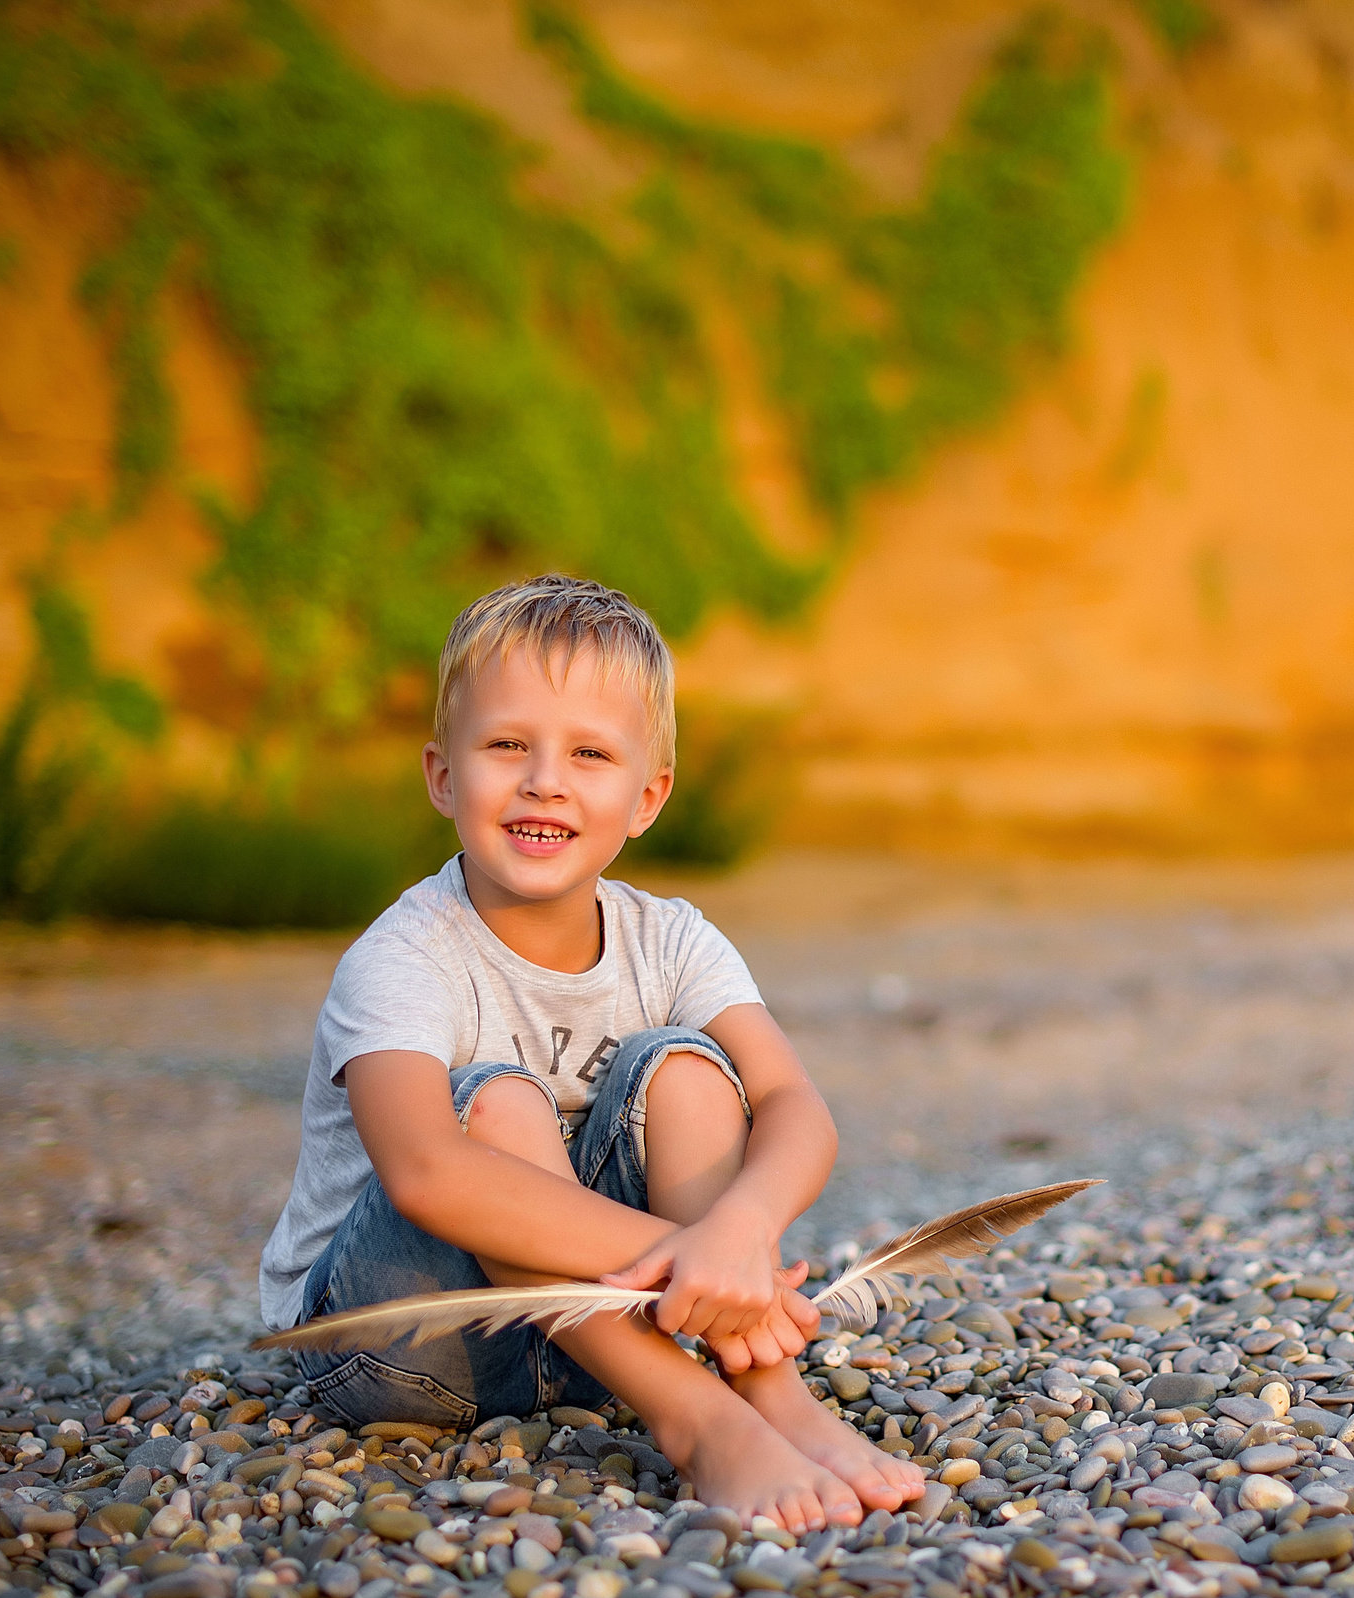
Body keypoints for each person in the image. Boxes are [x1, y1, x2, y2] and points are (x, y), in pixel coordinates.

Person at [256, 574, 923, 1531]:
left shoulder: (673, 939)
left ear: (647, 797)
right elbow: (426, 1174)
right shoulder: (404, 955)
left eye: (590, 753)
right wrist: (684, 1258)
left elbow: (793, 1103)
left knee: (687, 1066)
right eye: (506, 745)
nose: (545, 780)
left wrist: (739, 1232)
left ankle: (771, 1395)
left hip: (592, 1333)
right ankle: (697, 1423)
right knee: (493, 1104)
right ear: (443, 774)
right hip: (400, 1340)